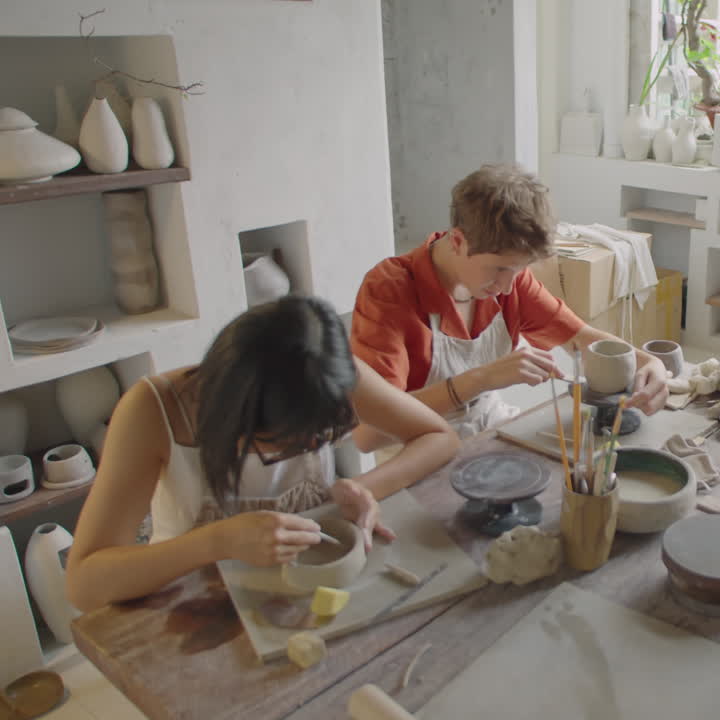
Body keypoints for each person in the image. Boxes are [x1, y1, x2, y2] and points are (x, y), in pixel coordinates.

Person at [66, 296, 460, 612]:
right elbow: (84, 585)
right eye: (285, 443)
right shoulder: (152, 410)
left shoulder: (322, 370)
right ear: (235, 416)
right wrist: (215, 542)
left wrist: (362, 487)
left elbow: (439, 437)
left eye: (318, 439)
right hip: (195, 602)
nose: (309, 448)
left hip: (304, 585)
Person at [350, 164, 668, 439]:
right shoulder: (389, 290)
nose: (506, 286)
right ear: (459, 241)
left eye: (518, 270)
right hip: (413, 452)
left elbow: (581, 339)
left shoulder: (509, 281)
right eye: (499, 269)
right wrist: (481, 379)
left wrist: (648, 363)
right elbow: (370, 434)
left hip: (489, 431)